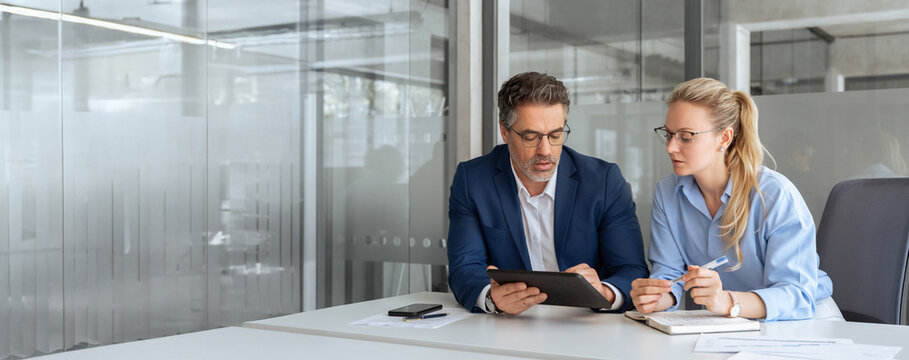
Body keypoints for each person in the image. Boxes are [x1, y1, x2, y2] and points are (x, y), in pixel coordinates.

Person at [630, 78, 841, 321]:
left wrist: (726, 301)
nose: (670, 147)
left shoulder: (774, 194)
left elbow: (797, 295)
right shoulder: (667, 193)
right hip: (731, 325)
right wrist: (655, 298)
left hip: (806, 321)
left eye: (685, 137)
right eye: (668, 134)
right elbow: (668, 274)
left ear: (724, 138)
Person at [447, 72, 648, 315]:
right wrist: (492, 299)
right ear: (505, 131)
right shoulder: (473, 180)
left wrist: (604, 292)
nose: (546, 150)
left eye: (555, 135)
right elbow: (464, 268)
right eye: (531, 137)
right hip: (512, 325)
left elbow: (632, 269)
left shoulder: (603, 181)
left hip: (587, 322)